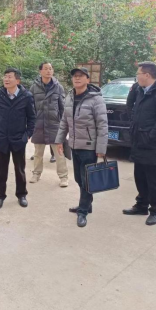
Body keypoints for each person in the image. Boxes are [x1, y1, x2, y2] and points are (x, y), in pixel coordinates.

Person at [56, 68, 108, 228]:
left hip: (89, 147)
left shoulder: (96, 99)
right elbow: (64, 121)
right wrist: (59, 140)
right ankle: (87, 204)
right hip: (74, 145)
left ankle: (83, 211)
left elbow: (102, 125)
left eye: (80, 76)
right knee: (79, 179)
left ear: (87, 79)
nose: (77, 79)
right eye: (74, 76)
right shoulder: (70, 97)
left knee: (87, 180)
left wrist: (101, 148)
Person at [124, 62, 156, 226]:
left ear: (146, 75)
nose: (137, 77)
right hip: (139, 140)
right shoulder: (140, 91)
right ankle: (141, 205)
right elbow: (131, 108)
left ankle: (155, 211)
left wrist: (151, 137)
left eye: (138, 74)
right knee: (140, 176)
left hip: (154, 144)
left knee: (154, 180)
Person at [0, 68, 36, 210]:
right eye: (5, 77)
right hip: (2, 138)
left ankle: (21, 195)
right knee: (0, 170)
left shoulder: (26, 96)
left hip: (18, 139)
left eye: (9, 77)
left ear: (17, 80)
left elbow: (32, 117)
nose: (6, 79)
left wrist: (27, 134)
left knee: (20, 170)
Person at [29, 62, 69, 188]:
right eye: (46, 69)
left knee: (59, 153)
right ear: (40, 71)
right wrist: (31, 123)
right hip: (39, 124)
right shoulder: (34, 87)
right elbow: (30, 107)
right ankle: (36, 174)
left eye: (50, 69)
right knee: (38, 153)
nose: (48, 71)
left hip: (54, 125)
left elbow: (63, 107)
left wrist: (64, 125)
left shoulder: (58, 87)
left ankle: (63, 177)